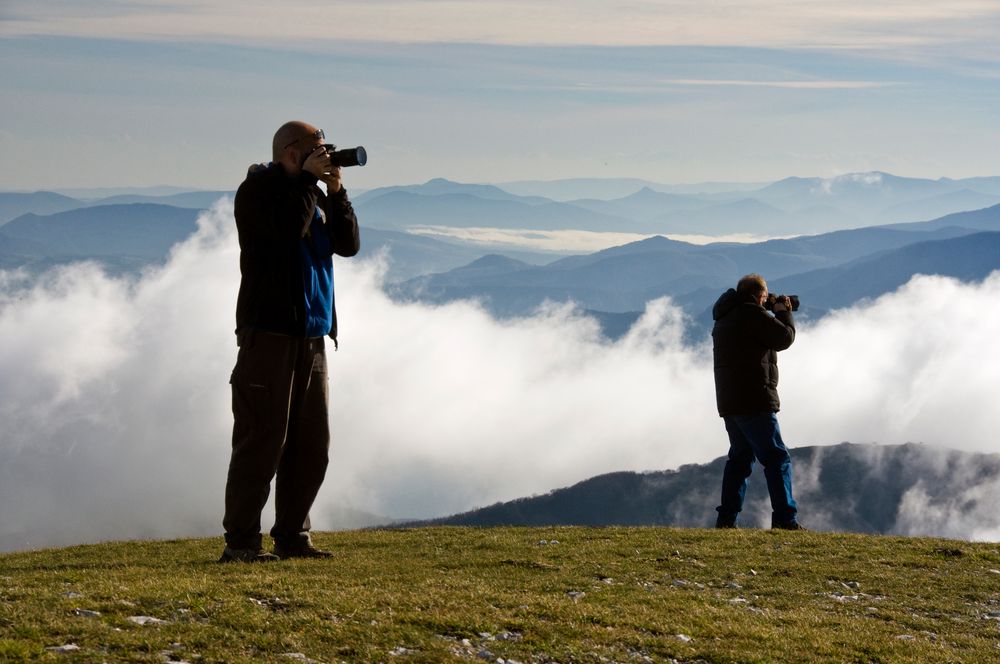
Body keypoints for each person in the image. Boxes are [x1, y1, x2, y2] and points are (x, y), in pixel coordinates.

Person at [220, 121, 361, 562]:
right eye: (316, 149)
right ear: (289, 152)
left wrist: (336, 193)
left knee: (310, 445)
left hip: (313, 336)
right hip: (270, 336)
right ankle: (241, 543)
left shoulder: (314, 194)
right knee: (262, 442)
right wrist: (305, 182)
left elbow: (348, 245)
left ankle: (293, 537)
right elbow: (285, 234)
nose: (325, 155)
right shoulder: (258, 192)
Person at [711, 274, 804, 530]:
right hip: (755, 399)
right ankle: (786, 519)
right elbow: (784, 338)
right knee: (777, 459)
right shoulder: (751, 315)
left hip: (730, 402)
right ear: (759, 295)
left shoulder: (726, 316)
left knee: (740, 460)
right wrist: (784, 312)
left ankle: (726, 520)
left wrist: (767, 308)